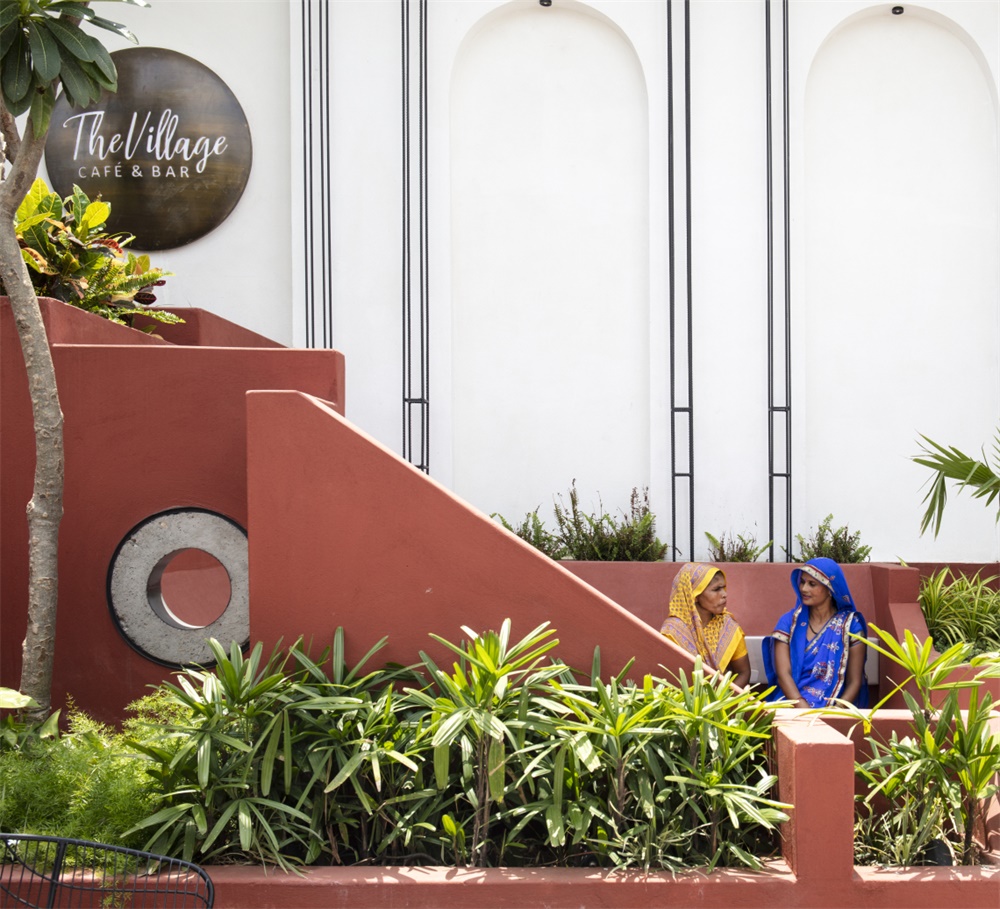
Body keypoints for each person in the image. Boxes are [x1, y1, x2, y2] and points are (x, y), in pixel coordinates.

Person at [762, 557, 868, 708]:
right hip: (792, 705)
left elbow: (854, 681)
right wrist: (803, 709)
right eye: (802, 582)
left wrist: (835, 712)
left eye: (812, 584)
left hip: (834, 709)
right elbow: (783, 674)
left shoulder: (850, 626)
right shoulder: (789, 623)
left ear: (830, 589)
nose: (804, 589)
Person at [660, 563, 751, 688]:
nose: (725, 594)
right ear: (694, 595)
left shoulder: (728, 626)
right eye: (716, 589)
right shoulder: (673, 631)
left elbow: (743, 672)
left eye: (724, 588)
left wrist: (721, 700)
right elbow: (669, 679)